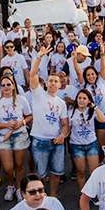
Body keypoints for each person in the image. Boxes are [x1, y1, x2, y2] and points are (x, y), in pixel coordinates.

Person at [29, 47, 71, 197]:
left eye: (56, 81)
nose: (53, 83)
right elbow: (33, 74)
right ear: (46, 83)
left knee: (56, 172)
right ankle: (40, 197)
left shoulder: (61, 103)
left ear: (60, 85)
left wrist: (62, 135)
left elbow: (65, 124)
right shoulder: (38, 94)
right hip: (40, 140)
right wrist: (39, 57)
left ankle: (52, 196)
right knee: (40, 174)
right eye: (51, 81)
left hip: (56, 141)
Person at [0, 75, 33, 201]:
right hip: (3, 137)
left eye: (8, 84)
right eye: (3, 85)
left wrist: (22, 122)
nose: (6, 87)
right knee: (8, 168)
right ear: (0, 87)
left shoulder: (21, 99)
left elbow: (29, 116)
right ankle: (10, 186)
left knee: (19, 165)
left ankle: (19, 188)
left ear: (13, 86)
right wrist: (6, 125)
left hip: (20, 135)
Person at [69, 90, 105, 189]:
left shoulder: (92, 111)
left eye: (84, 98)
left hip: (91, 144)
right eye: (79, 98)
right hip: (76, 145)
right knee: (80, 172)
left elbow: (103, 120)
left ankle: (94, 192)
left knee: (94, 172)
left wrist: (94, 107)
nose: (81, 100)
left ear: (89, 100)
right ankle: (83, 193)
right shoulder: (71, 111)